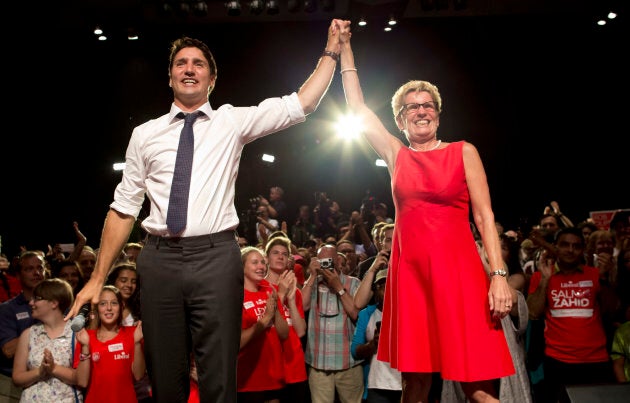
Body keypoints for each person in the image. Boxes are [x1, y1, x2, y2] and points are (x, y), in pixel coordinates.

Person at [65, 20, 344, 403]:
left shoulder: (231, 121)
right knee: (166, 376)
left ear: (211, 79)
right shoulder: (145, 134)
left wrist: (331, 50)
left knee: (217, 375)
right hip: (159, 259)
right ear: (170, 76)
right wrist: (98, 276)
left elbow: (302, 104)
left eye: (198, 63)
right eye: (181, 63)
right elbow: (124, 208)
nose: (189, 68)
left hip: (215, 257)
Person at [337, 21, 514, 402]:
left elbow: (485, 218)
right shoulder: (394, 153)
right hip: (412, 279)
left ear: (438, 113)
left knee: (481, 389)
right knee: (415, 387)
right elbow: (356, 107)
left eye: (428, 105)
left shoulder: (463, 152)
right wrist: (344, 49)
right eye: (411, 107)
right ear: (400, 120)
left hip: (462, 277)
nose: (421, 111)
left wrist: (498, 276)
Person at [527, 227, 614, 403]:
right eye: (565, 245)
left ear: (582, 250)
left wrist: (604, 279)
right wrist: (545, 280)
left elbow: (611, 310)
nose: (570, 250)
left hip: (596, 360)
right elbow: (533, 312)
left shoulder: (594, 274)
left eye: (576, 246)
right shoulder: (540, 275)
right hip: (558, 360)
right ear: (555, 247)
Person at [12, 278, 82, 403]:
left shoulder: (77, 334)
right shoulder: (28, 334)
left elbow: (82, 378)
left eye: (37, 299)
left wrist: (54, 368)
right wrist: (40, 372)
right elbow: (17, 378)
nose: (31, 303)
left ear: (54, 303)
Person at [75, 285, 145, 403]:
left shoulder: (133, 333)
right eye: (103, 304)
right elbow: (82, 381)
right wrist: (85, 346)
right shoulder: (86, 337)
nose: (108, 308)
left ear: (121, 307)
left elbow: (138, 375)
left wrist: (137, 343)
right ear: (97, 308)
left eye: (114, 303)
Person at [237, 246, 288, 403]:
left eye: (262, 262)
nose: (261, 266)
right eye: (254, 263)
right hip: (248, 378)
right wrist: (265, 320)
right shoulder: (236, 296)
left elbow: (284, 334)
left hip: (273, 374)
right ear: (242, 267)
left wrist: (275, 310)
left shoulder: (269, 290)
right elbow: (236, 343)